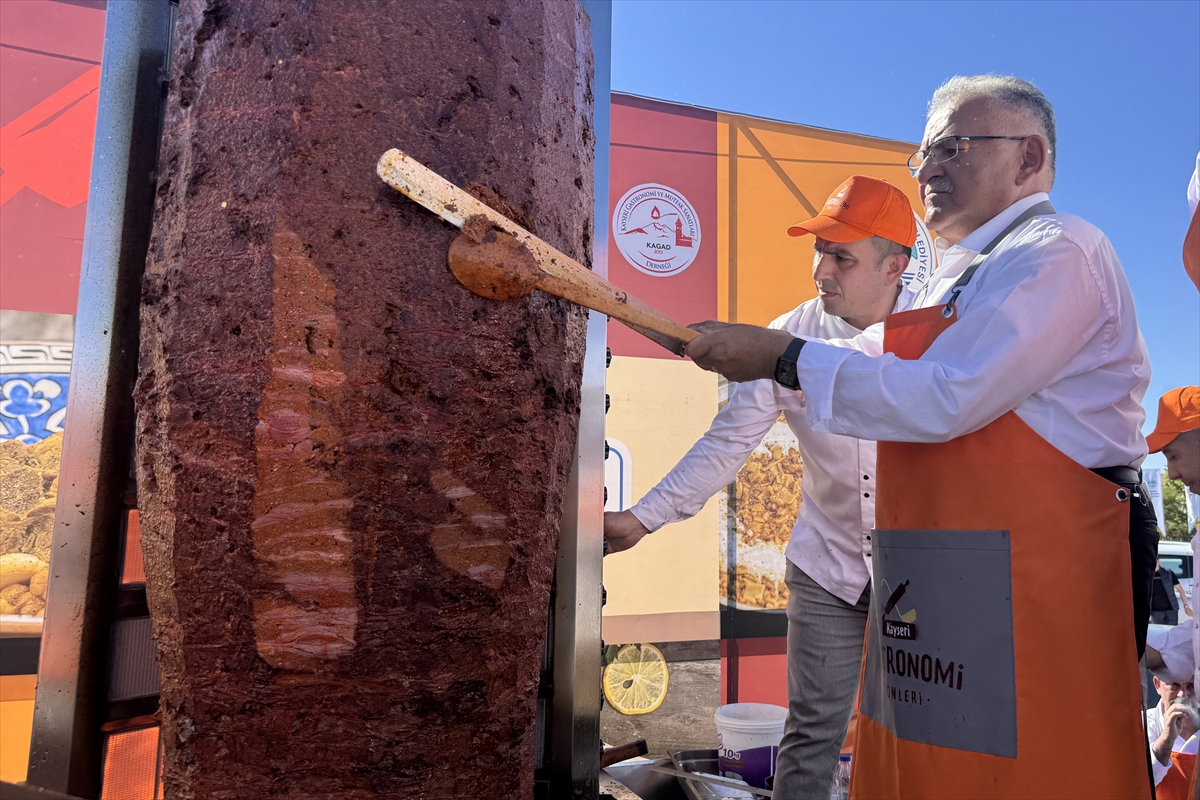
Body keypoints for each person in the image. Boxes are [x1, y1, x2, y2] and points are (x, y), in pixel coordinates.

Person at [682, 75, 1157, 796]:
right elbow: (869, 369)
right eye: (924, 153)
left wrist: (782, 358)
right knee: (935, 758)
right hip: (952, 569)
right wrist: (765, 351)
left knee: (1039, 764)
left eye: (951, 147)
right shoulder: (956, 281)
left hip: (1049, 566)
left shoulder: (1059, 251)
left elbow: (947, 396)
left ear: (1028, 158)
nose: (928, 167)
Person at [605, 176, 917, 799]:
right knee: (811, 734)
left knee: (913, 731)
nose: (820, 271)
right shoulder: (790, 331)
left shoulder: (941, 333)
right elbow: (729, 440)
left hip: (920, 569)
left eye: (841, 257)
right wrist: (641, 519)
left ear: (895, 266)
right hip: (826, 564)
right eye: (818, 251)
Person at [1145, 623, 1200, 800]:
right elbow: (1136, 784)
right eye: (1174, 685)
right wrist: (1165, 740)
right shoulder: (1142, 726)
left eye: (1190, 686)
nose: (1183, 695)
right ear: (1157, 686)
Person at [1153, 557, 1194, 625]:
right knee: (1159, 633)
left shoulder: (1168, 573)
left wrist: (1186, 606)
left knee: (1172, 631)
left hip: (1171, 610)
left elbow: (1180, 590)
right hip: (1155, 612)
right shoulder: (1147, 576)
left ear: (1158, 561)